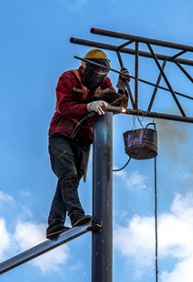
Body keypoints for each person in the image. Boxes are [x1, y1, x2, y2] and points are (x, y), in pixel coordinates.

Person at [46, 49, 129, 240]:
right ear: (85, 68)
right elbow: (63, 107)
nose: (98, 79)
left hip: (84, 138)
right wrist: (87, 107)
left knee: (69, 180)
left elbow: (118, 105)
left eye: (102, 76)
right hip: (62, 134)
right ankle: (76, 216)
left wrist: (122, 87)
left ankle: (55, 225)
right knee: (68, 174)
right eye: (95, 74)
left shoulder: (103, 83)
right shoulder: (68, 78)